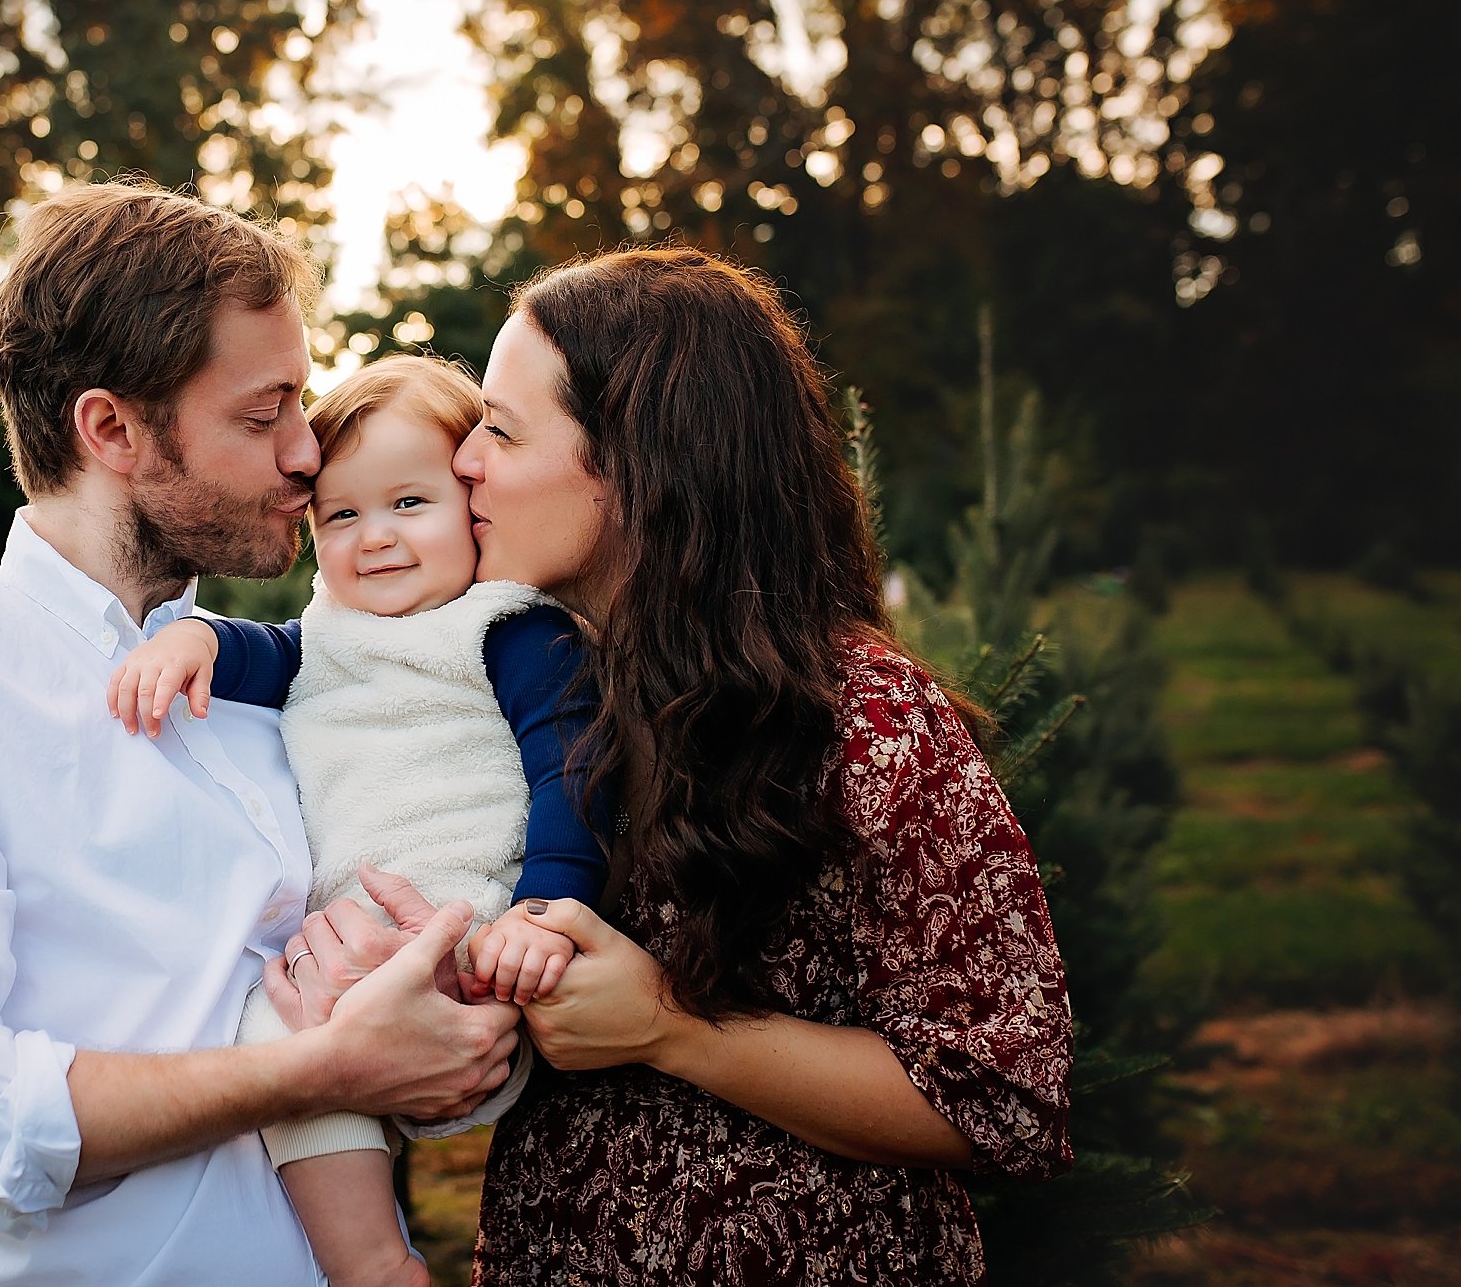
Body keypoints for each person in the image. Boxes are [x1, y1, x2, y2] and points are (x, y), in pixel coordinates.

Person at [274, 246, 1074, 1285]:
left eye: (501, 433)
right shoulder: (537, 692)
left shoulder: (864, 719)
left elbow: (1003, 1100)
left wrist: (668, 1027)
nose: (462, 462)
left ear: (633, 465)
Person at [0, 180, 522, 1286]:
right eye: (262, 414)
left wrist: (428, 1006)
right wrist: (316, 1070)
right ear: (112, 428)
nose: (308, 455)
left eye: (300, 406)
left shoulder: (275, 681)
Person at [107, 354, 612, 1287]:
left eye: (409, 503)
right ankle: (374, 1262)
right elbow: (266, 654)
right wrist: (196, 635)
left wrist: (544, 913)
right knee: (271, 1036)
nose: (374, 537)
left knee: (297, 1038)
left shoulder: (507, 628)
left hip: (473, 932)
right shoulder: (330, 630)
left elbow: (571, 771)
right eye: (342, 515)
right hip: (344, 955)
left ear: (473, 504)